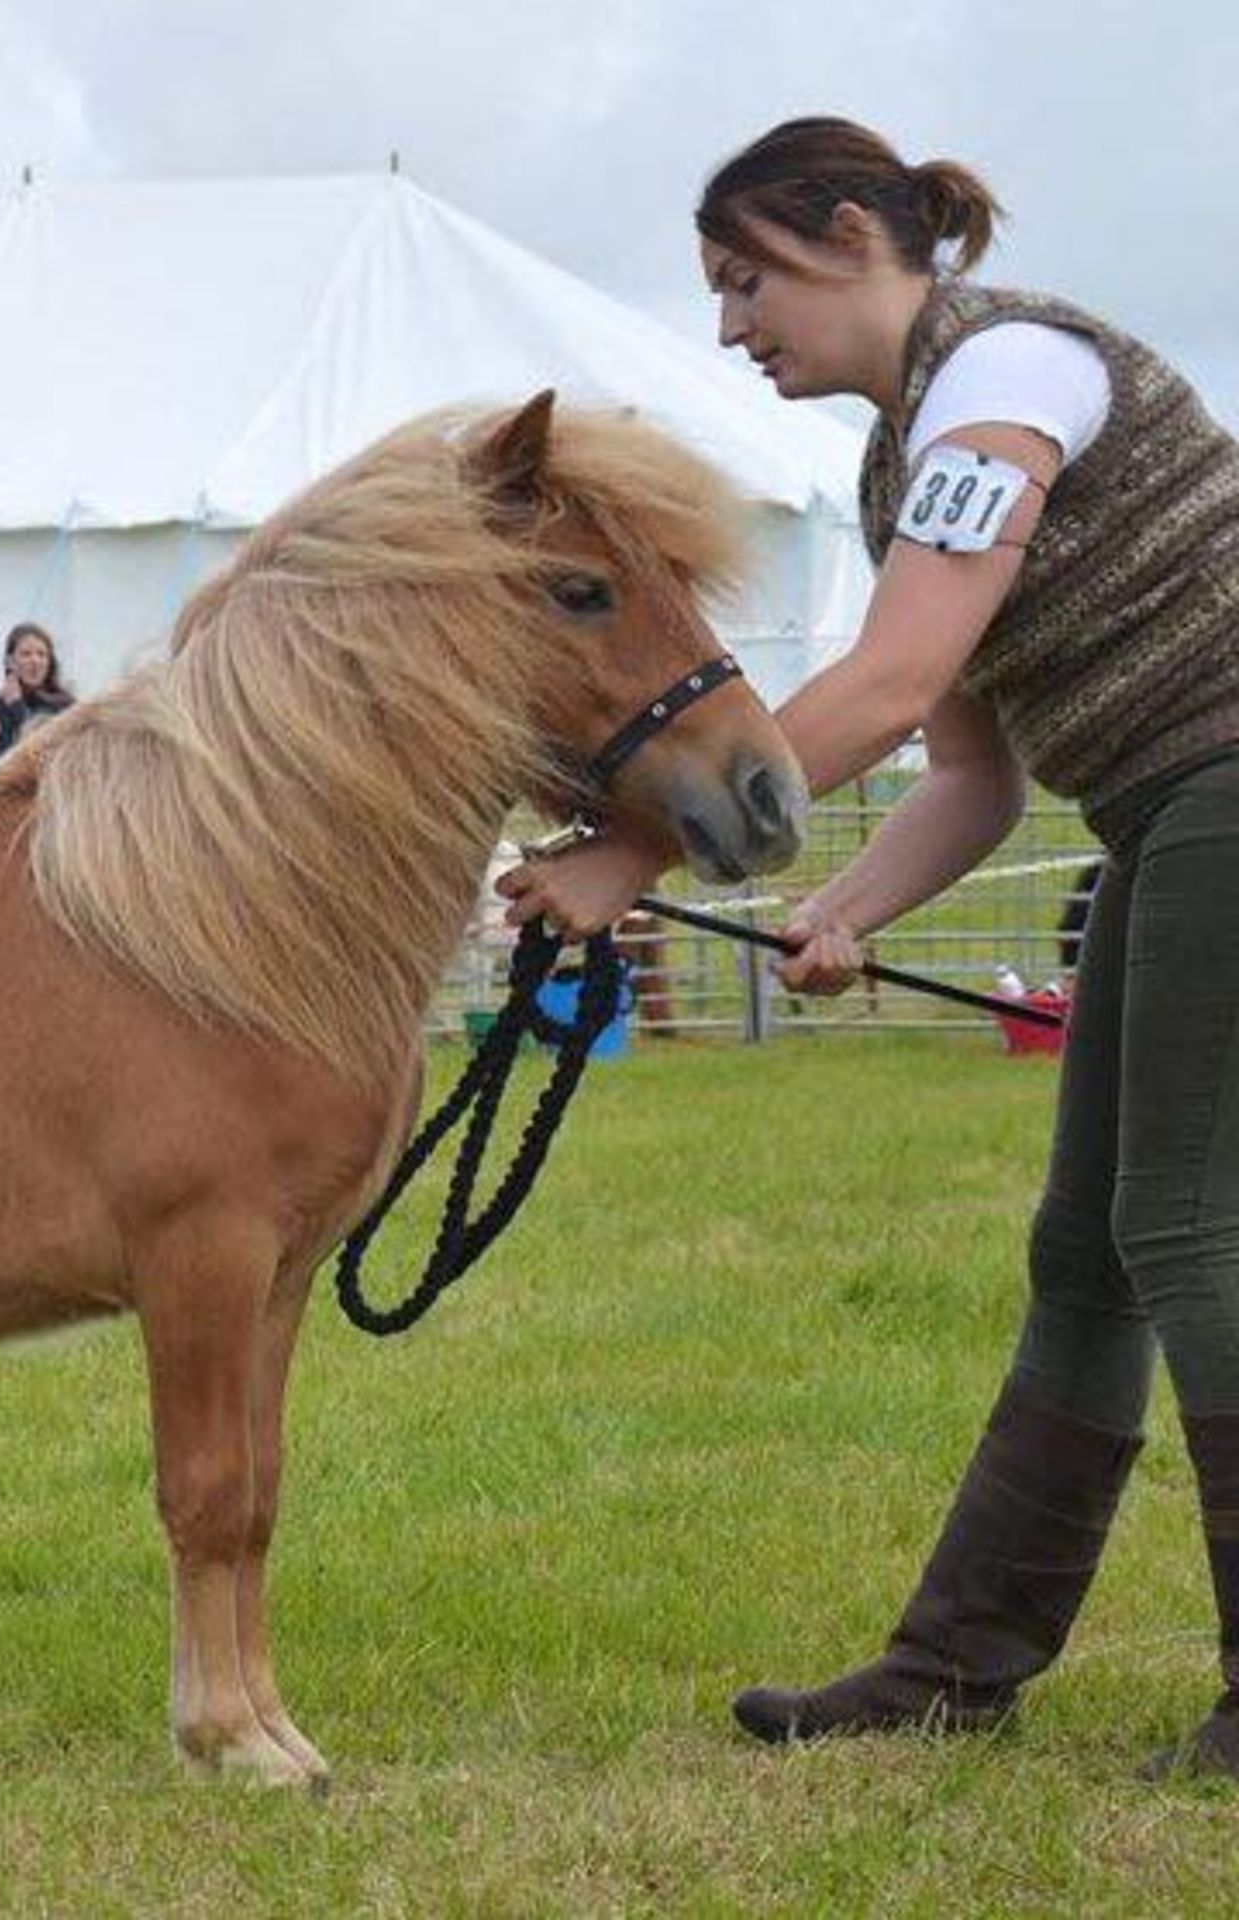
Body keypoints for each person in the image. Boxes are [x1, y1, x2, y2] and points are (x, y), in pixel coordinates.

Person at [497, 115, 1239, 1779]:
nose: (728, 325)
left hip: (1223, 797)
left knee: (1183, 1227)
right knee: (1089, 1251)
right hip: (1166, 817)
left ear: (849, 234)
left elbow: (892, 689)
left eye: (743, 278)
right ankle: (956, 1665)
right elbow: (969, 770)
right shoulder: (909, 457)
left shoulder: (1006, 379)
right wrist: (837, 908)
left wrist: (628, 852)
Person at [0, 622, 74, 768]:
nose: (35, 661)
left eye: (42, 654)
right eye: (26, 654)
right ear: (10, 662)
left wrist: (16, 707)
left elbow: (44, 756)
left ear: (49, 662)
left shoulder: (65, 708)